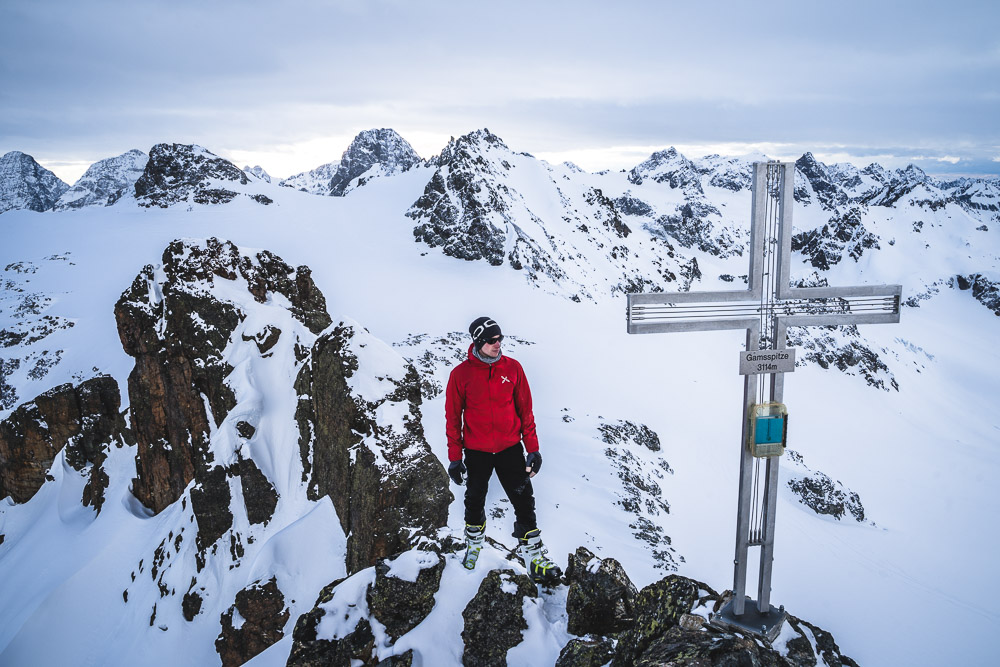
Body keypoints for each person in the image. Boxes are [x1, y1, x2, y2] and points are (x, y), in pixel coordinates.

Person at [445, 316, 562, 584]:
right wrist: (455, 458)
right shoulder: (460, 375)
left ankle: (533, 556)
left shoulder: (513, 368)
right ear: (478, 342)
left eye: (500, 339)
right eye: (492, 340)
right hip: (477, 452)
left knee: (524, 500)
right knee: (474, 499)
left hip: (510, 448)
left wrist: (533, 449)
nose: (498, 344)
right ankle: (474, 543)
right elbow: (453, 419)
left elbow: (525, 410)